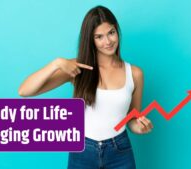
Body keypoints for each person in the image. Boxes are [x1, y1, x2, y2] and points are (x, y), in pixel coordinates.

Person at [18, 5, 153, 169]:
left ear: (117, 31)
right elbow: (24, 90)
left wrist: (139, 127)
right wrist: (57, 63)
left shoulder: (135, 74)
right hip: (83, 150)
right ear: (91, 39)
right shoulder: (78, 68)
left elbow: (132, 118)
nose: (108, 41)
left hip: (120, 150)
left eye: (111, 32)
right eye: (99, 37)